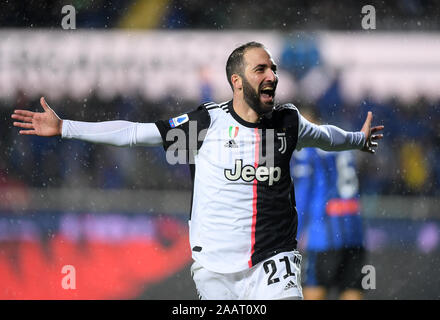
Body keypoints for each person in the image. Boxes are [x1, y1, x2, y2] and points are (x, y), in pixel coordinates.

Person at [11, 41, 383, 300]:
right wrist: (66, 127)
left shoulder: (287, 120)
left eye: (273, 68)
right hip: (216, 269)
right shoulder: (205, 122)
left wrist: (357, 138)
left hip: (275, 261)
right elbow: (135, 134)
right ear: (236, 81)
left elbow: (325, 138)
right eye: (260, 69)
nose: (271, 75)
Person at [291, 108, 366, 300]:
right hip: (354, 232)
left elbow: (303, 194)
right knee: (351, 290)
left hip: (324, 234)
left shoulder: (308, 148)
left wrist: (293, 237)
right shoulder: (342, 143)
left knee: (313, 290)